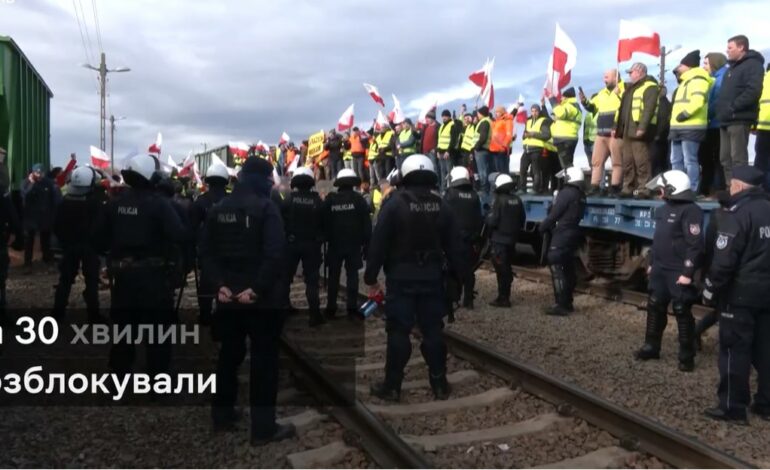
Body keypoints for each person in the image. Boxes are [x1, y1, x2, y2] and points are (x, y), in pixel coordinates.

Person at [200, 157, 293, 443]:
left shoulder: (218, 209)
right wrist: (257, 288)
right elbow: (275, 254)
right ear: (263, 180)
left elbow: (206, 253)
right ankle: (263, 429)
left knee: (228, 356)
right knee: (264, 362)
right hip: (261, 301)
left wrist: (219, 286)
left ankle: (222, 414)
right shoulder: (267, 208)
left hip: (228, 298)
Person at [365, 154, 465, 402]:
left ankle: (392, 386)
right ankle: (440, 384)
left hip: (400, 279)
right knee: (433, 331)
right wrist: (459, 279)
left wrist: (370, 278)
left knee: (398, 330)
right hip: (432, 278)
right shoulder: (442, 205)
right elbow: (457, 248)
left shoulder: (394, 204)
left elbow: (378, 244)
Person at [98, 154, 188, 377]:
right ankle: (158, 381)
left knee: (123, 329)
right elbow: (179, 235)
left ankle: (119, 375)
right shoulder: (160, 205)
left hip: (123, 277)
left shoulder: (114, 204)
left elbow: (98, 239)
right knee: (157, 332)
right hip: (154, 278)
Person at [702, 165, 770, 424]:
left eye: (732, 185)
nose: (730, 189)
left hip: (739, 296)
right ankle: (765, 404)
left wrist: (709, 289)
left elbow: (724, 262)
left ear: (740, 186)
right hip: (767, 295)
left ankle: (732, 406)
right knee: (766, 350)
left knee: (734, 349)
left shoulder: (738, 214)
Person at [634, 170, 703, 372]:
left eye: (663, 188)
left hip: (678, 271)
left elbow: (695, 245)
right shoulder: (663, 210)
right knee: (655, 306)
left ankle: (686, 356)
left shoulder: (691, 211)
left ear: (673, 188)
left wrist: (687, 273)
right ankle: (651, 347)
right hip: (660, 269)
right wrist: (653, 263)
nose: (660, 192)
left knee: (682, 310)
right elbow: (658, 240)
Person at [52, 166, 105, 323]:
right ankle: (93, 315)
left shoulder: (64, 201)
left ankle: (57, 312)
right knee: (92, 281)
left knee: (65, 280)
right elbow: (100, 226)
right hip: (89, 247)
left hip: (69, 246)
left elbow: (57, 225)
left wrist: (64, 242)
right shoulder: (95, 203)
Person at [716, 35, 766, 183]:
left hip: (739, 119)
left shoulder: (753, 65)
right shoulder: (731, 68)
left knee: (738, 159)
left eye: (730, 48)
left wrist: (733, 107)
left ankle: (741, 192)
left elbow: (753, 91)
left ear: (741, 47)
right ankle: (730, 188)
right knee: (725, 158)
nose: (727, 51)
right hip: (725, 120)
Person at [323, 169, 371, 319]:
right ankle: (351, 308)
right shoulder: (359, 200)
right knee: (352, 277)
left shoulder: (331, 200)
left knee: (333, 277)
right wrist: (366, 244)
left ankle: (331, 308)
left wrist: (324, 237)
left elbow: (322, 221)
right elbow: (367, 224)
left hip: (335, 245)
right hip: (353, 245)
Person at [279, 167, 324, 327]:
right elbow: (323, 223)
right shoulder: (317, 201)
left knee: (285, 278)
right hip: (311, 245)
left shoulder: (289, 199)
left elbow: (280, 221)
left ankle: (284, 308)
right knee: (312, 280)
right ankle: (314, 314)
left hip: (291, 244)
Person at [539, 167, 586, 316]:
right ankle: (568, 302)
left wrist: (542, 226)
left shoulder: (566, 193)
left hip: (562, 233)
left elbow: (554, 215)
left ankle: (561, 304)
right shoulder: (581, 195)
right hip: (573, 232)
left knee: (557, 267)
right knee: (568, 267)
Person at [188, 163, 230, 326]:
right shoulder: (231, 201)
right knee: (226, 282)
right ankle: (223, 314)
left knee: (206, 284)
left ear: (208, 181)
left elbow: (191, 227)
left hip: (207, 252)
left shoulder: (201, 202)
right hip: (228, 250)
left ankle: (205, 315)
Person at [669, 50, 714, 193]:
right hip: (677, 127)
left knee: (690, 160)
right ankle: (677, 189)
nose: (678, 68)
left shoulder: (699, 80)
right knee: (675, 160)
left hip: (691, 126)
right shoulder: (685, 81)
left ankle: (691, 189)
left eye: (681, 64)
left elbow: (697, 101)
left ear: (688, 66)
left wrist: (684, 114)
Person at [694, 190, 731, 350]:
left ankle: (696, 333)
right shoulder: (729, 219)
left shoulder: (716, 217)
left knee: (721, 310)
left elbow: (709, 248)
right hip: (724, 271)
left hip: (716, 270)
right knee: (723, 310)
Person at [616, 63, 659, 198]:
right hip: (627, 131)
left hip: (638, 130)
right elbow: (623, 110)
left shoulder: (650, 87)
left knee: (642, 161)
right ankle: (628, 188)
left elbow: (648, 109)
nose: (629, 75)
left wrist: (642, 128)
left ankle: (644, 189)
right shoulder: (630, 89)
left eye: (631, 72)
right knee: (627, 161)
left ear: (640, 72)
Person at [443, 167, 483, 309]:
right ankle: (469, 300)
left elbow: (443, 216)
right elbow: (479, 218)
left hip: (454, 239)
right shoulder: (474, 195)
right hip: (471, 240)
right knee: (469, 270)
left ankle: (454, 298)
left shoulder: (450, 194)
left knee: (452, 269)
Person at [486, 173, 526, 308]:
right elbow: (522, 219)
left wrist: (486, 219)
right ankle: (505, 296)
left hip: (499, 241)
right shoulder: (517, 200)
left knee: (501, 270)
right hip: (512, 241)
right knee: (507, 267)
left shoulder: (498, 200)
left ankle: (503, 298)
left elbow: (492, 221)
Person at [581, 69, 624, 195]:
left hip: (615, 133)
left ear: (615, 77)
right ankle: (595, 186)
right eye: (604, 77)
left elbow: (627, 106)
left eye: (607, 77)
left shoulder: (624, 90)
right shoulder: (602, 93)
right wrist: (585, 102)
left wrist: (618, 94)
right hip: (601, 134)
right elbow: (592, 107)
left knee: (617, 162)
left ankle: (615, 186)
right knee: (596, 161)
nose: (604, 80)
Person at [698, 52, 729, 195]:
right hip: (712, 124)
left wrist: (705, 114)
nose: (704, 67)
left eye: (706, 63)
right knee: (708, 159)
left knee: (716, 159)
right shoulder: (713, 79)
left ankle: (716, 190)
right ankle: (709, 189)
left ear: (714, 63)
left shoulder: (721, 79)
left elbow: (716, 103)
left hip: (717, 125)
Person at [21, 163, 59, 268]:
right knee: (29, 241)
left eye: (41, 173)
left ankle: (47, 260)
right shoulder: (26, 183)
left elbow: (54, 200)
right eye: (37, 172)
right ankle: (27, 263)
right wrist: (31, 184)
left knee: (45, 241)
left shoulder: (49, 183)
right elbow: (25, 195)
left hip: (45, 217)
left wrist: (53, 216)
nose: (39, 175)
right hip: (31, 218)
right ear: (32, 172)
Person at [520, 104, 552, 194]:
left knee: (536, 171)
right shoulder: (528, 121)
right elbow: (524, 133)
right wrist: (524, 135)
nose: (534, 113)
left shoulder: (543, 121)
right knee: (522, 169)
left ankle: (535, 189)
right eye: (532, 111)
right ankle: (522, 189)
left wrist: (532, 134)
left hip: (537, 149)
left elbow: (546, 135)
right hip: (526, 149)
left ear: (539, 111)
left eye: (536, 111)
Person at [549, 87, 582, 170]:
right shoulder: (575, 107)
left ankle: (571, 180)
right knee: (567, 163)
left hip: (564, 139)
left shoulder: (569, 106)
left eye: (562, 97)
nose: (561, 98)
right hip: (569, 138)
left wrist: (552, 100)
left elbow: (560, 113)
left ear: (567, 97)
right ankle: (569, 181)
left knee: (566, 165)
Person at [754, 64, 770, 191]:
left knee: (761, 161)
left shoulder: (764, 78)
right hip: (763, 127)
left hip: (763, 126)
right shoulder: (764, 78)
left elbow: (757, 103)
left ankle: (762, 190)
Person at [473, 106, 493, 205]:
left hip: (482, 150)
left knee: (483, 172)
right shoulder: (486, 121)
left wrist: (476, 147)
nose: (477, 115)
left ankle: (484, 190)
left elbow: (483, 137)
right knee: (483, 171)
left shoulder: (485, 122)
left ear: (482, 114)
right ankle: (484, 189)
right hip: (483, 149)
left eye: (478, 113)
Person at [437, 110, 461, 190]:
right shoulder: (441, 126)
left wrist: (448, 151)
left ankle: (451, 189)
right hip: (440, 152)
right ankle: (443, 189)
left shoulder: (452, 125)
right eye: (442, 116)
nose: (443, 117)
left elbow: (453, 140)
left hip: (448, 153)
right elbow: (439, 139)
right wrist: (437, 150)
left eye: (445, 116)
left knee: (449, 172)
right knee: (443, 172)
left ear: (449, 116)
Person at [490, 106, 514, 174]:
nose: (496, 113)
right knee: (497, 171)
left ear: (502, 112)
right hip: (494, 149)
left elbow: (509, 135)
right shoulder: (496, 121)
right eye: (495, 112)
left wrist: (503, 146)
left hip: (502, 150)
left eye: (498, 112)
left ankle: (505, 183)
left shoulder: (507, 121)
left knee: (503, 170)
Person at [422, 112, 440, 189]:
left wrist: (435, 149)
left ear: (432, 118)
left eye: (428, 118)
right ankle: (429, 184)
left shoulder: (437, 127)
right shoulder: (426, 127)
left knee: (434, 168)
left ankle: (436, 184)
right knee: (427, 168)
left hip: (432, 152)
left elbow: (439, 139)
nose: (427, 120)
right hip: (425, 151)